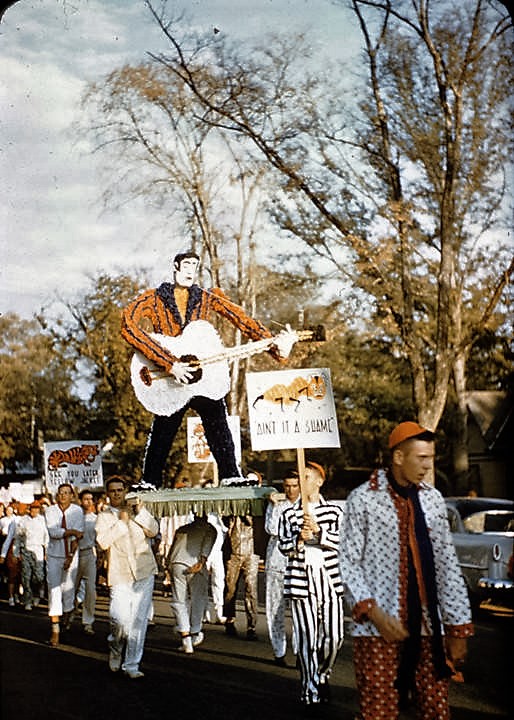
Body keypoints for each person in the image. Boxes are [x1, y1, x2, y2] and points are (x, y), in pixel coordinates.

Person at [121, 250, 296, 488]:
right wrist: (169, 363)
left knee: (217, 419)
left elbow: (242, 320)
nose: (190, 271)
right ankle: (150, 480)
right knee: (163, 428)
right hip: (171, 377)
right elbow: (127, 324)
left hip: (201, 375)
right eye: (185, 265)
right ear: (175, 266)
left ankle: (230, 474)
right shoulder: (153, 299)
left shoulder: (208, 296)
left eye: (194, 266)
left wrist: (274, 345)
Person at [341, 421, 474, 720]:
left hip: (428, 625)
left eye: (431, 458)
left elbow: (446, 565)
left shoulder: (433, 499)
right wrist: (374, 612)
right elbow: (348, 562)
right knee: (379, 710)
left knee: (435, 709)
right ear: (399, 457)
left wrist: (457, 628)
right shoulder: (363, 498)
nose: (428, 466)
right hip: (379, 627)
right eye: (421, 458)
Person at [278, 461, 345, 712]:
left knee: (334, 636)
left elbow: (345, 542)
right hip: (301, 580)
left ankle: (322, 673)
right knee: (307, 637)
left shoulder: (335, 512)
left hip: (329, 580)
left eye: (307, 476)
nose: (302, 481)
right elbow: (283, 547)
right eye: (300, 477)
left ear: (319, 481)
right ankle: (310, 689)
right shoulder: (289, 514)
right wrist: (299, 539)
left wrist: (320, 534)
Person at [95, 476, 159, 679]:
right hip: (120, 573)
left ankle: (132, 664)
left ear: (126, 491)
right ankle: (115, 646)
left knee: (138, 621)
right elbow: (103, 542)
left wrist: (138, 514)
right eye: (113, 491)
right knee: (119, 619)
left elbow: (154, 531)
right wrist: (121, 523)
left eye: (120, 490)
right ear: (107, 494)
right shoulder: (104, 516)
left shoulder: (139, 510)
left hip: (144, 571)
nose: (117, 494)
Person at [167, 513, 217, 653]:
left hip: (176, 563)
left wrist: (168, 565)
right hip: (195, 565)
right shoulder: (210, 529)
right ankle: (194, 632)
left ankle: (185, 637)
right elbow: (205, 550)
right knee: (198, 599)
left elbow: (172, 549)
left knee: (179, 601)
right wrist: (201, 562)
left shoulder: (182, 528)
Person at [264, 473, 300, 666]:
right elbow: (272, 528)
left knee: (299, 610)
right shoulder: (276, 503)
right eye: (287, 486)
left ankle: (300, 651)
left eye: (294, 486)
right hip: (277, 561)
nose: (290, 490)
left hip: (298, 563)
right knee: (275, 608)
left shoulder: (307, 504)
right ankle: (279, 651)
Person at [45, 483, 84, 646]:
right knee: (54, 590)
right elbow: (53, 533)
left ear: (72, 496)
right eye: (61, 493)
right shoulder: (50, 511)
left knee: (68, 592)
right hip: (54, 555)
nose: (63, 496)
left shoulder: (77, 511)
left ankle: (65, 625)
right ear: (57, 495)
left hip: (72, 556)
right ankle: (55, 630)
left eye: (67, 493)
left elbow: (78, 535)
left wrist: (70, 556)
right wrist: (71, 532)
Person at [17, 501, 49, 611]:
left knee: (39, 576)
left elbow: (46, 537)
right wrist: (17, 552)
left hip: (39, 550)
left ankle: (36, 594)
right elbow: (18, 537)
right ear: (29, 509)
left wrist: (46, 551)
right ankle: (27, 600)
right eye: (33, 509)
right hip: (26, 550)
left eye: (37, 509)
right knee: (26, 577)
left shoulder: (42, 520)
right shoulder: (23, 520)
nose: (34, 511)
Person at [74, 489, 97, 635]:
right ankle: (68, 617)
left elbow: (99, 540)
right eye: (85, 499)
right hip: (75, 555)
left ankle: (88, 622)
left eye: (90, 499)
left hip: (89, 554)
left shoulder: (96, 519)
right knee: (71, 588)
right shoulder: (74, 518)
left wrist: (101, 557)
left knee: (90, 590)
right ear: (80, 501)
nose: (88, 502)